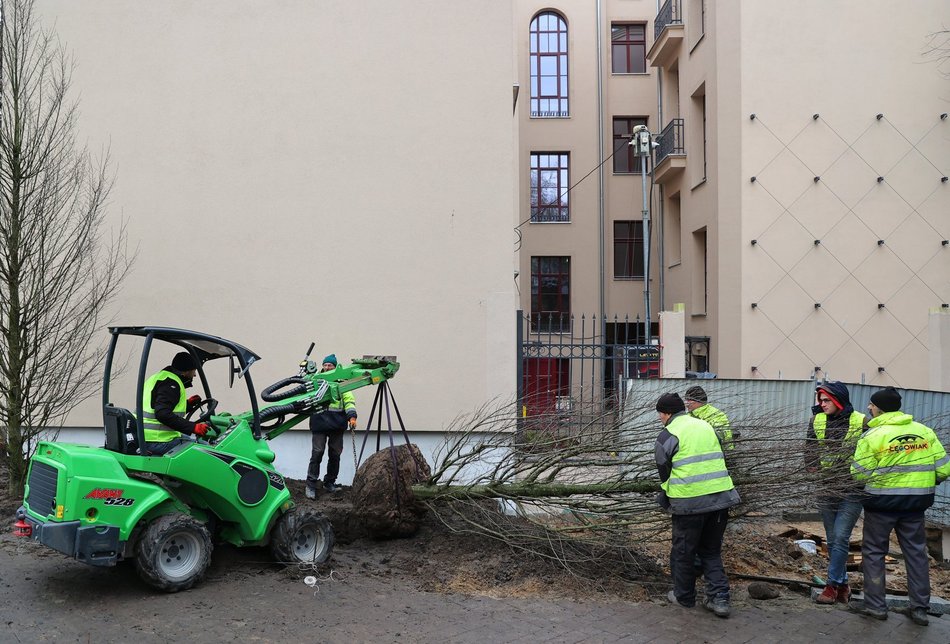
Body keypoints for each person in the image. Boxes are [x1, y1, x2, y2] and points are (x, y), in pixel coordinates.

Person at [850, 387, 950, 626]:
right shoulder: (924, 432)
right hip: (915, 505)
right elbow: (944, 469)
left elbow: (859, 475)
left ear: (879, 408)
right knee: (916, 554)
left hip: (881, 505)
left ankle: (876, 607)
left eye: (871, 405)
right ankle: (919, 609)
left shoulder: (872, 436)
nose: (868, 408)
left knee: (874, 552)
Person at [655, 392, 741, 618]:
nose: (660, 419)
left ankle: (684, 597)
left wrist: (667, 495)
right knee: (711, 551)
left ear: (667, 414)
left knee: (684, 552)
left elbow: (663, 469)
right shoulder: (705, 426)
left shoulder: (668, 434)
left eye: (660, 414)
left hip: (689, 502)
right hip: (721, 499)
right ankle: (719, 599)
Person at [804, 380, 868, 605]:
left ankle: (831, 586)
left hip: (852, 488)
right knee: (832, 539)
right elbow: (810, 447)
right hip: (826, 486)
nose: (822, 404)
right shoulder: (817, 420)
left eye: (826, 400)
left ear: (838, 400)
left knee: (840, 536)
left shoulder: (862, 421)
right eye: (820, 400)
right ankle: (843, 585)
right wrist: (812, 467)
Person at [306, 354, 358, 498]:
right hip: (319, 423)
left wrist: (352, 416)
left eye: (330, 365)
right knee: (317, 453)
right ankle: (311, 484)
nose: (327, 367)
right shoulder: (315, 381)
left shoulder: (342, 383)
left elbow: (349, 400)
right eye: (325, 365)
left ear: (335, 367)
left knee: (335, 455)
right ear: (322, 366)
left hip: (337, 424)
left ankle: (329, 482)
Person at [143, 351, 209, 455]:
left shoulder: (159, 378)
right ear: (185, 371)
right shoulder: (171, 384)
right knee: (206, 450)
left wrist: (188, 404)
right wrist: (193, 427)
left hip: (145, 436)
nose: (195, 374)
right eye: (194, 370)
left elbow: (157, 406)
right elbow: (162, 414)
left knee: (194, 441)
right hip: (157, 440)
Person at [684, 386, 734, 450]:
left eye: (689, 401)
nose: (687, 404)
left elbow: (721, 436)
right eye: (686, 400)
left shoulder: (716, 415)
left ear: (698, 401)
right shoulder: (687, 415)